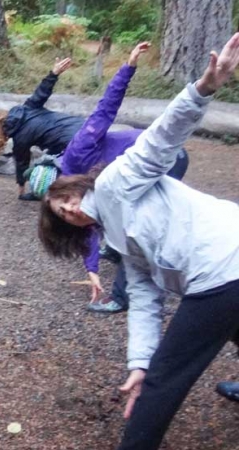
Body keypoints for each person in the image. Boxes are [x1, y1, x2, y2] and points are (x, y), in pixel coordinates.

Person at [37, 33, 239, 450]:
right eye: (62, 213)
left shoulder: (113, 185)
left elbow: (160, 139)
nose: (71, 209)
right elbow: (145, 301)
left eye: (68, 199)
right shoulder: (116, 237)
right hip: (228, 265)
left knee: (167, 376)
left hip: (222, 263)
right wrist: (138, 363)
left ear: (77, 187)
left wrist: (202, 89)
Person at [25, 43, 190, 313]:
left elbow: (106, 109)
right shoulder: (76, 192)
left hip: (165, 158)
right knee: (113, 218)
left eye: (60, 196)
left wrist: (128, 67)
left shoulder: (79, 150)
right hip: (140, 171)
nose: (66, 205)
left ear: (60, 180)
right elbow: (86, 224)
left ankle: (121, 296)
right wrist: (92, 271)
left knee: (132, 228)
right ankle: (114, 252)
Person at [0, 57, 88, 200]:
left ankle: (48, 192)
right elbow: (42, 92)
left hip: (71, 141)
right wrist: (54, 73)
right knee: (51, 155)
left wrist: (21, 190)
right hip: (82, 125)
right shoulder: (27, 108)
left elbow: (22, 164)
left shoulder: (20, 138)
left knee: (55, 166)